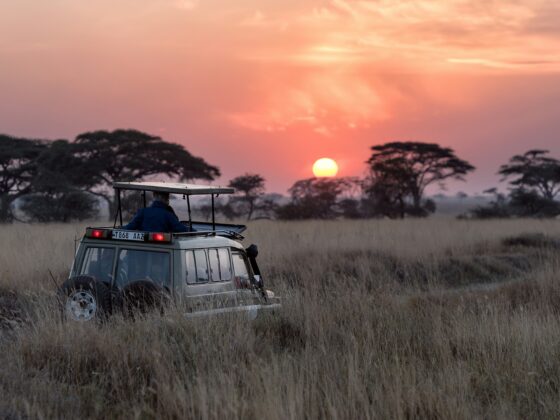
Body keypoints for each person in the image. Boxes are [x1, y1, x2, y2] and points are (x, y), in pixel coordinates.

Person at [125, 191, 191, 232]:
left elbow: (129, 227)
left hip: (142, 250)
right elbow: (180, 228)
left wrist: (118, 229)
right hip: (164, 249)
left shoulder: (142, 212)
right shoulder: (168, 214)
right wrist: (192, 230)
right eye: (167, 197)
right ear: (164, 198)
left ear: (154, 196)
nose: (168, 199)